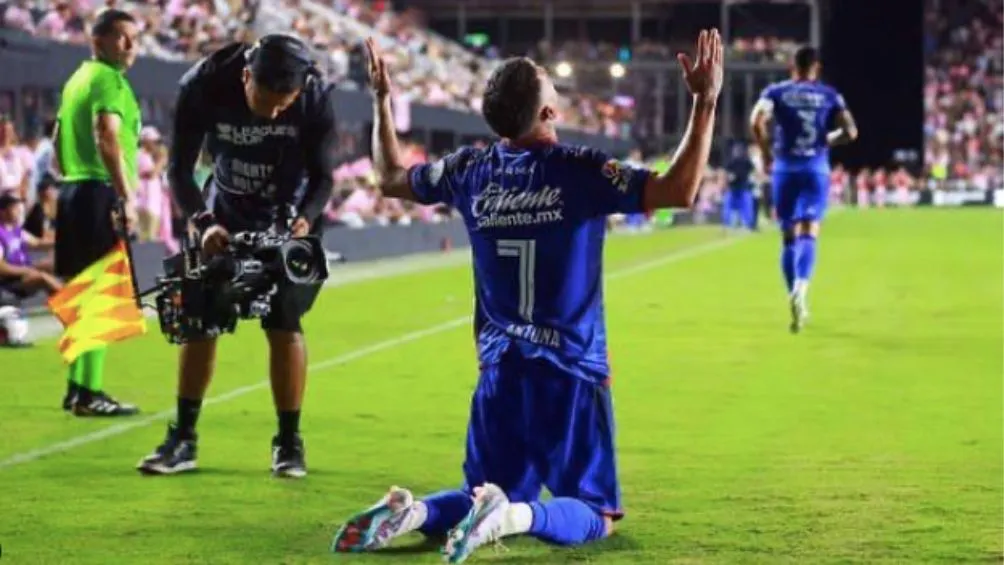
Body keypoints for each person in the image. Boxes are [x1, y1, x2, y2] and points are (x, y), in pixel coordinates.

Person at [330, 30, 723, 563]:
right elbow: (679, 189)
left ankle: (414, 512)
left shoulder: (469, 170)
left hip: (499, 369)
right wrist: (705, 102)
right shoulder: (579, 169)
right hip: (570, 369)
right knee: (596, 513)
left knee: (479, 492)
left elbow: (390, 177)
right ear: (546, 112)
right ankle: (510, 518)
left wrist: (380, 101)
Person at [135, 33, 340, 478]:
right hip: (223, 211)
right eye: (266, 100)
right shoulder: (202, 85)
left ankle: (289, 443)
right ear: (246, 76)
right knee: (199, 320)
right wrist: (203, 222)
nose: (274, 112)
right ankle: (183, 439)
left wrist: (303, 220)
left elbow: (325, 176)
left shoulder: (314, 95)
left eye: (285, 104)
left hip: (291, 213)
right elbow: (178, 170)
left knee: (284, 322)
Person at [52, 8, 141, 416]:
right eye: (122, 37)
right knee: (101, 295)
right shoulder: (108, 80)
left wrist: (73, 174)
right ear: (99, 40)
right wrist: (123, 198)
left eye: (134, 37)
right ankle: (90, 394)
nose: (131, 45)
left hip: (72, 192)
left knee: (81, 292)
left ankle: (77, 388)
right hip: (98, 194)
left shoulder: (76, 80)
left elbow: (56, 139)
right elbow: (107, 137)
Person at [749, 45, 858, 333]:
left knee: (788, 237)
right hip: (815, 169)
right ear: (816, 68)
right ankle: (801, 288)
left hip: (784, 169)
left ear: (792, 67)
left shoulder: (776, 92)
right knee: (810, 231)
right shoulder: (829, 95)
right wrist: (826, 140)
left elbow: (756, 121)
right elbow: (851, 131)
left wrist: (765, 153)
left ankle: (793, 296)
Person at [0, 191, 60, 347]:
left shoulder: (17, 230)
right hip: (9, 282)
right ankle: (69, 307)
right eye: (14, 207)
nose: (19, 210)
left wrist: (63, 240)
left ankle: (75, 293)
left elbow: (38, 243)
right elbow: (1, 267)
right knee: (42, 278)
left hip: (22, 272)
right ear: (3, 210)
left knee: (55, 263)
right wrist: (26, 271)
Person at [721, 141, 756, 231]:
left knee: (746, 207)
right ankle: (728, 224)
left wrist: (752, 179)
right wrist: (727, 180)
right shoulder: (731, 162)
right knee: (728, 207)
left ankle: (747, 224)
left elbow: (753, 172)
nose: (737, 152)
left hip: (744, 187)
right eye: (736, 150)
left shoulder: (746, 162)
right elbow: (725, 173)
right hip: (733, 188)